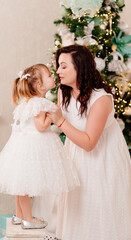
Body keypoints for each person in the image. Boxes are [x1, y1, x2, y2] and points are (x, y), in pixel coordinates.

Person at [47, 45, 131, 240]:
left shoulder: (101, 99)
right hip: (75, 160)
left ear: (79, 67)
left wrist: (60, 120)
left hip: (102, 163)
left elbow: (89, 143)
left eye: (63, 66)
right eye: (58, 66)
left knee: (99, 213)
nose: (58, 71)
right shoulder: (64, 93)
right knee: (76, 214)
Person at [0, 64, 80, 230]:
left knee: (20, 185)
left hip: (22, 145)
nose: (53, 77)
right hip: (34, 146)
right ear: (40, 86)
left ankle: (19, 215)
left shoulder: (28, 101)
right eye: (50, 76)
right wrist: (53, 116)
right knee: (25, 187)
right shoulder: (41, 103)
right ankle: (28, 218)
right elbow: (41, 126)